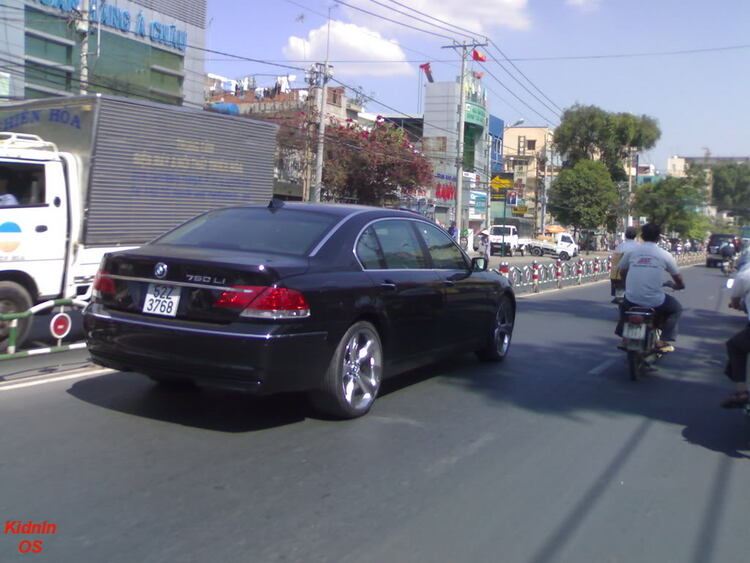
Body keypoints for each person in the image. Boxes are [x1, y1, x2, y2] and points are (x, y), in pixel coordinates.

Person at [616, 223, 685, 352]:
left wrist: (626, 284)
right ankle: (663, 340)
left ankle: (625, 339)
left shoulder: (631, 252)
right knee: (676, 309)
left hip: (632, 298)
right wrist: (679, 286)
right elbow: (677, 277)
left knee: (624, 305)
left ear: (641, 236)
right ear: (658, 238)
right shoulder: (664, 255)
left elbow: (622, 271)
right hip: (656, 300)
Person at [720, 265, 750, 407]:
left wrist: (737, 306)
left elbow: (735, 301)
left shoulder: (745, 274)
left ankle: (742, 391)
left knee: (734, 345)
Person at [610, 227, 639, 303]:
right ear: (635, 235)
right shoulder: (639, 247)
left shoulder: (620, 247)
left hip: (618, 276)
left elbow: (614, 261)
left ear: (625, 235)